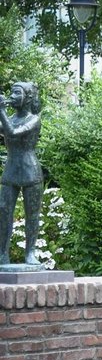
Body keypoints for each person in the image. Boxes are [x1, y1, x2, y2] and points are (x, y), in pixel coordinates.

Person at [0, 82, 45, 267]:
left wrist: (1, 110)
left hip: (30, 172)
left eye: (17, 93)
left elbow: (12, 132)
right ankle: (2, 254)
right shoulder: (9, 117)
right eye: (12, 92)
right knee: (3, 212)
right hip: (11, 171)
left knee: (32, 215)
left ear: (27, 98)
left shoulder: (33, 119)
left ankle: (30, 254)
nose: (13, 95)